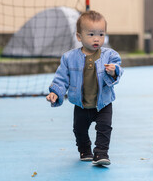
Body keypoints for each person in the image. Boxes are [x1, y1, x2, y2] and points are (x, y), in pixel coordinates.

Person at [46, 10, 123, 166]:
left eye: (101, 34)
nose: (97, 38)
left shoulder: (110, 55)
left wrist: (114, 71)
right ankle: (84, 150)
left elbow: (118, 70)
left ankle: (101, 153)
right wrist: (55, 92)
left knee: (104, 128)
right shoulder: (69, 58)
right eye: (91, 34)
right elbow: (62, 78)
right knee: (79, 130)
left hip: (103, 103)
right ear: (79, 37)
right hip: (82, 105)